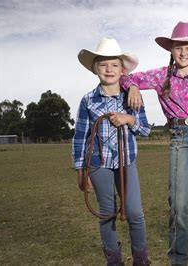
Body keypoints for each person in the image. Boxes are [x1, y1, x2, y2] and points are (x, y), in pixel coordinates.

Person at [120, 21, 188, 266]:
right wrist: (134, 86)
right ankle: (177, 259)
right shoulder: (160, 76)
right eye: (179, 48)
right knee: (177, 202)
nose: (184, 53)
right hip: (179, 138)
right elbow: (126, 77)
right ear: (172, 50)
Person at [73, 37, 151, 265]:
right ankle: (114, 259)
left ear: (122, 69)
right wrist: (81, 169)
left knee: (135, 212)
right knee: (107, 213)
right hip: (98, 162)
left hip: (127, 161)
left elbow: (145, 130)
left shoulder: (132, 97)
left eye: (114, 64)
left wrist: (129, 118)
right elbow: (80, 136)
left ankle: (141, 259)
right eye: (103, 64)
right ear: (95, 68)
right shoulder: (88, 100)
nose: (109, 69)